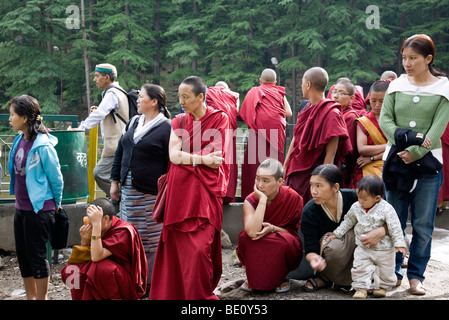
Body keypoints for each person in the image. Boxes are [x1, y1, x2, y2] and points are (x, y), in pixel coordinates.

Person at [379, 34, 449, 295]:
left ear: (428, 59)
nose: (407, 63)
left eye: (413, 58)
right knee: (393, 220)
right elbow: (385, 120)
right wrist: (402, 147)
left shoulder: (443, 88)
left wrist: (416, 152)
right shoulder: (396, 85)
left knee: (422, 224)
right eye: (404, 58)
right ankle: (393, 272)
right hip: (396, 162)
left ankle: (416, 276)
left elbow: (438, 128)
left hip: (428, 165)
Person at [150, 76, 230, 300]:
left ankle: (199, 298)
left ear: (201, 97)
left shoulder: (219, 119)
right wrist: (201, 159)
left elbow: (218, 156)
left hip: (205, 192)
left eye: (186, 97)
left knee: (198, 250)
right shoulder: (179, 121)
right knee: (177, 249)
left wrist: (189, 158)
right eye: (179, 96)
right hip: (180, 192)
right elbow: (173, 156)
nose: (181, 101)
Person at [110, 84, 171, 290]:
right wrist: (114, 181)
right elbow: (121, 151)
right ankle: (133, 278)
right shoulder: (135, 121)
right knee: (130, 234)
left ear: (154, 102)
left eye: (141, 97)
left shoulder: (166, 127)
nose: (136, 99)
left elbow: (170, 163)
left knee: (150, 238)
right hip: (128, 191)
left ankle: (150, 282)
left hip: (150, 193)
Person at [8, 95, 64, 300]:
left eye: (12, 114)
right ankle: (30, 297)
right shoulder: (19, 140)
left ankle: (42, 298)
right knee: (23, 257)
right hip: (21, 208)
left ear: (24, 118)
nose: (9, 119)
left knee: (38, 257)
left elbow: (56, 178)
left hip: (39, 209)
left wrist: (56, 204)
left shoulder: (43, 146)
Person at [300, 164, 387, 291]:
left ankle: (363, 279)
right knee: (332, 249)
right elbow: (310, 247)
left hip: (361, 246)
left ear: (335, 187)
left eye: (319, 186)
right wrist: (315, 259)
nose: (313, 191)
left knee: (366, 233)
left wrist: (381, 231)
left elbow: (388, 216)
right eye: (311, 185)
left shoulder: (355, 198)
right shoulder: (310, 211)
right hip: (333, 254)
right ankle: (328, 277)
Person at [327, 175, 407, 299]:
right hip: (363, 246)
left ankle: (381, 287)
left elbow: (395, 226)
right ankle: (361, 288)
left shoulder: (387, 209)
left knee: (385, 269)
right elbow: (348, 221)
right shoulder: (356, 207)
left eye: (364, 199)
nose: (360, 201)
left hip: (384, 249)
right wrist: (336, 233)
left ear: (377, 198)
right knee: (359, 268)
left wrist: (400, 244)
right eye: (359, 197)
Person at [284, 67, 351, 204]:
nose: (301, 86)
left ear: (308, 85)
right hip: (295, 170)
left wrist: (321, 184)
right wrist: (285, 166)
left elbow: (330, 155)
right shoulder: (306, 108)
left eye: (302, 83)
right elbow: (296, 138)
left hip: (315, 175)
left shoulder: (332, 112)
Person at [236, 158, 303, 293]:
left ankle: (283, 277)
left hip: (281, 237)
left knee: (286, 243)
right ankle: (253, 275)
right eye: (257, 179)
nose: (259, 185)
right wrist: (262, 200)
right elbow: (252, 233)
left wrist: (272, 229)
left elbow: (293, 233)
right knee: (245, 239)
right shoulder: (250, 200)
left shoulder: (293, 198)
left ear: (279, 182)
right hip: (258, 236)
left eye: (266, 181)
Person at [61, 198, 148, 300]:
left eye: (94, 219)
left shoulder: (123, 231)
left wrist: (97, 226)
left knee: (101, 268)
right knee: (72, 270)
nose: (90, 223)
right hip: (101, 275)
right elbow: (87, 257)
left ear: (106, 219)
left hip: (125, 283)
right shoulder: (100, 227)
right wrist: (84, 242)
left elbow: (96, 256)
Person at [76, 63, 129, 198]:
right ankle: (118, 202)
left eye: (97, 76)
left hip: (115, 146)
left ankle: (120, 199)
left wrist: (81, 127)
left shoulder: (111, 93)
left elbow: (100, 113)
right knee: (115, 177)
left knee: (99, 173)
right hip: (122, 144)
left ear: (106, 77)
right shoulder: (120, 91)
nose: (94, 80)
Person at [239, 68, 292, 199]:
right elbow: (289, 113)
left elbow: (244, 113)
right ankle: (274, 197)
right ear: (275, 82)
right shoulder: (279, 93)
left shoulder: (254, 91)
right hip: (275, 135)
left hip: (257, 134)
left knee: (254, 165)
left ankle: (251, 196)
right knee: (273, 165)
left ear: (260, 80)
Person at [206, 81, 240, 203]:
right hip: (228, 135)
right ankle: (227, 193)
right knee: (228, 163)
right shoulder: (234, 96)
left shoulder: (209, 94)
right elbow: (236, 111)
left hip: (211, 135)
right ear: (228, 89)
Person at [351, 80, 390, 186]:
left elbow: (401, 149)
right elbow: (363, 149)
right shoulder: (364, 121)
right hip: (367, 171)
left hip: (391, 166)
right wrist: (390, 146)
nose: (377, 105)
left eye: (382, 101)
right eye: (373, 101)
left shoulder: (396, 120)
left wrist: (373, 158)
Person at [330, 79, 362, 188]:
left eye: (341, 93)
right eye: (334, 92)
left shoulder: (350, 116)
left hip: (343, 166)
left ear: (351, 98)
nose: (335, 96)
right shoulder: (335, 114)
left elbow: (346, 149)